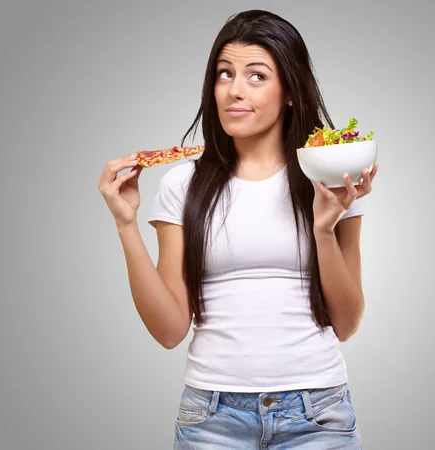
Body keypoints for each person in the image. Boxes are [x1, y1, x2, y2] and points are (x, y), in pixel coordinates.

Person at [98, 9, 378, 449]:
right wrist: (125, 223)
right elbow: (170, 330)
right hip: (211, 416)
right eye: (224, 73)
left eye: (256, 76)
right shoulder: (182, 185)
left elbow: (346, 322)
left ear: (290, 90)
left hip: (319, 414)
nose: (234, 90)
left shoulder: (333, 179)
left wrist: (324, 229)